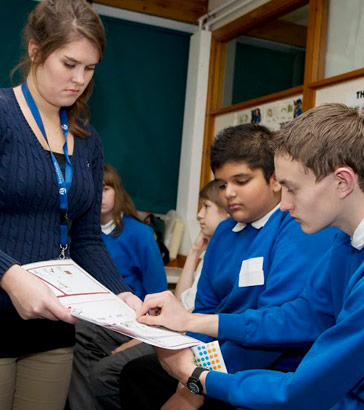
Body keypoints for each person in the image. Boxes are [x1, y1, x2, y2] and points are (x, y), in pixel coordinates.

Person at [132, 103, 364, 409]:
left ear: (342, 181)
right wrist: (191, 320)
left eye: (292, 189)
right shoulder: (343, 243)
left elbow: (298, 392)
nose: (284, 205)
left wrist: (196, 378)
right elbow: (300, 316)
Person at [0, 1, 140, 409]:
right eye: (69, 64)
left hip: (54, 326)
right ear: (34, 51)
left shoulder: (87, 140)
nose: (79, 79)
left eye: (90, 68)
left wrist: (122, 294)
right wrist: (9, 275)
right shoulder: (4, 117)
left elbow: (85, 237)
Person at [68, 164, 167, 410]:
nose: (99, 197)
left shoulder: (141, 233)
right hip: (91, 315)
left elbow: (158, 291)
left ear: (118, 192)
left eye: (106, 189)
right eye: (94, 190)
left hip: (133, 318)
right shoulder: (78, 237)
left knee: (81, 333)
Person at [175, 180, 229, 312]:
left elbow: (202, 312)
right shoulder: (210, 251)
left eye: (206, 206)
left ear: (227, 210)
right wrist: (194, 252)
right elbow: (180, 301)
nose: (199, 215)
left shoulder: (227, 256)